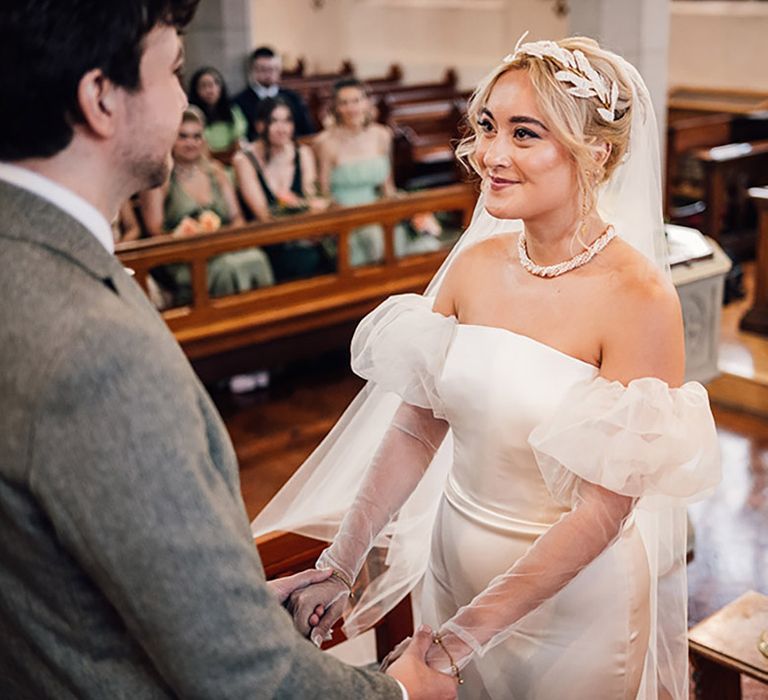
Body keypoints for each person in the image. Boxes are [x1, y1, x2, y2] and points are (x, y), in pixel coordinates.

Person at [0, 2, 457, 699]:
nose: (188, 98)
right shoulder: (96, 349)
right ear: (100, 99)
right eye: (174, 71)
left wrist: (226, 604)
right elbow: (246, 678)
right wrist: (398, 693)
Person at [251, 36, 722, 699]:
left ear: (599, 154)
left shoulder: (637, 297)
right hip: (451, 571)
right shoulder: (473, 268)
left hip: (572, 612)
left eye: (525, 134)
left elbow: (601, 513)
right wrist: (340, 564)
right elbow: (416, 429)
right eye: (487, 127)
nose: (491, 156)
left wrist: (461, 639)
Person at [140, 106, 274, 300]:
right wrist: (194, 240)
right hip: (183, 257)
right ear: (170, 139)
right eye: (183, 136)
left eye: (197, 136)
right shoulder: (159, 179)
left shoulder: (217, 172)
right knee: (227, 268)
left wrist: (225, 240)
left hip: (223, 245)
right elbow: (155, 231)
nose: (191, 143)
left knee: (257, 259)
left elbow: (237, 217)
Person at [315, 78, 443, 267]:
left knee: (426, 241)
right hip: (346, 217)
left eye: (356, 101)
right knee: (375, 239)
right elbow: (324, 192)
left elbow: (387, 186)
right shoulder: (325, 143)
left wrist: (409, 210)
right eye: (344, 103)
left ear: (366, 103)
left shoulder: (381, 135)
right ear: (336, 107)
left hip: (379, 209)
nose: (351, 108)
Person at [234, 96, 333, 282]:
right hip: (267, 237)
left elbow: (311, 198)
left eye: (287, 120)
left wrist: (310, 215)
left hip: (305, 233)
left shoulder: (302, 153)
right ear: (260, 125)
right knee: (305, 260)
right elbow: (263, 213)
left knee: (330, 253)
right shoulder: (244, 160)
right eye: (274, 121)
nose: (282, 128)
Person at [234, 46, 316, 141]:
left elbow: (307, 131)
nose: (269, 74)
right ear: (253, 71)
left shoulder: (293, 97)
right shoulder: (239, 102)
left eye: (274, 69)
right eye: (263, 69)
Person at [188, 66, 248, 164]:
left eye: (214, 84)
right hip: (203, 162)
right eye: (204, 86)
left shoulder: (232, 110)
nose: (210, 90)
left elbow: (239, 140)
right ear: (196, 90)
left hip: (233, 162)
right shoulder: (192, 114)